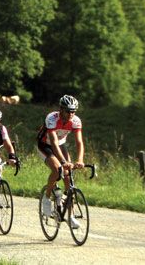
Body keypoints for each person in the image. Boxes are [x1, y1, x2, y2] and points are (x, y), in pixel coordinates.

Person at [37, 94, 84, 227]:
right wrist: (63, 161)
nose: (71, 114)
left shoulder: (75, 121)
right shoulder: (52, 118)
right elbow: (53, 142)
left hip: (61, 144)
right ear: (61, 109)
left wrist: (80, 160)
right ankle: (46, 198)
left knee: (69, 178)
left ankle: (70, 216)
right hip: (45, 145)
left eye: (73, 111)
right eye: (68, 111)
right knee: (58, 170)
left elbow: (79, 142)